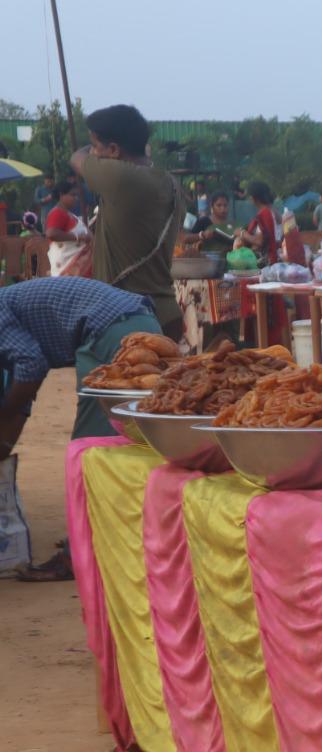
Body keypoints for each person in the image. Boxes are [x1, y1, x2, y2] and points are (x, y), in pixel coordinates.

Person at [0, 277, 165, 580]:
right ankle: (114, 538)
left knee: (89, 452)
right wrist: (5, 445)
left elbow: (30, 368)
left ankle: (77, 555)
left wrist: (6, 413)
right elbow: (22, 394)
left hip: (113, 334)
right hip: (138, 322)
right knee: (128, 447)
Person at [71, 104, 185, 339]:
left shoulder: (119, 177)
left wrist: (88, 147)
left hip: (127, 319)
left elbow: (76, 158)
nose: (93, 153)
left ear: (114, 150)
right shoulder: (171, 184)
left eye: (95, 146)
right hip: (166, 313)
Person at [44, 182, 91, 276]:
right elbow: (51, 233)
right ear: (61, 195)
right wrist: (78, 237)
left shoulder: (70, 214)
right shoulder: (57, 213)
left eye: (76, 195)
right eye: (72, 195)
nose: (76, 198)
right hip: (66, 270)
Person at [234, 181, 279, 265]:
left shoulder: (264, 213)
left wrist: (242, 233)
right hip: (275, 259)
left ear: (253, 198)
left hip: (267, 262)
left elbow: (259, 241)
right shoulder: (274, 212)